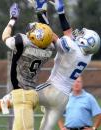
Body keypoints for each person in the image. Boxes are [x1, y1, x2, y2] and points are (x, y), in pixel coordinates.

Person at [0, 3, 56, 130]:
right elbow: (47, 35)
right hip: (30, 93)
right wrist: (42, 14)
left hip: (23, 95)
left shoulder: (21, 42)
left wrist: (12, 19)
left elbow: (5, 36)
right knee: (6, 101)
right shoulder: (49, 49)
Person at [10, 0, 101, 130]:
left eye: (82, 35)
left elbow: (48, 34)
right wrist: (61, 12)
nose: (79, 33)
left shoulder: (73, 48)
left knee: (23, 97)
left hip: (52, 89)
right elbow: (69, 34)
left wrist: (41, 11)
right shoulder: (87, 56)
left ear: (84, 42)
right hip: (63, 99)